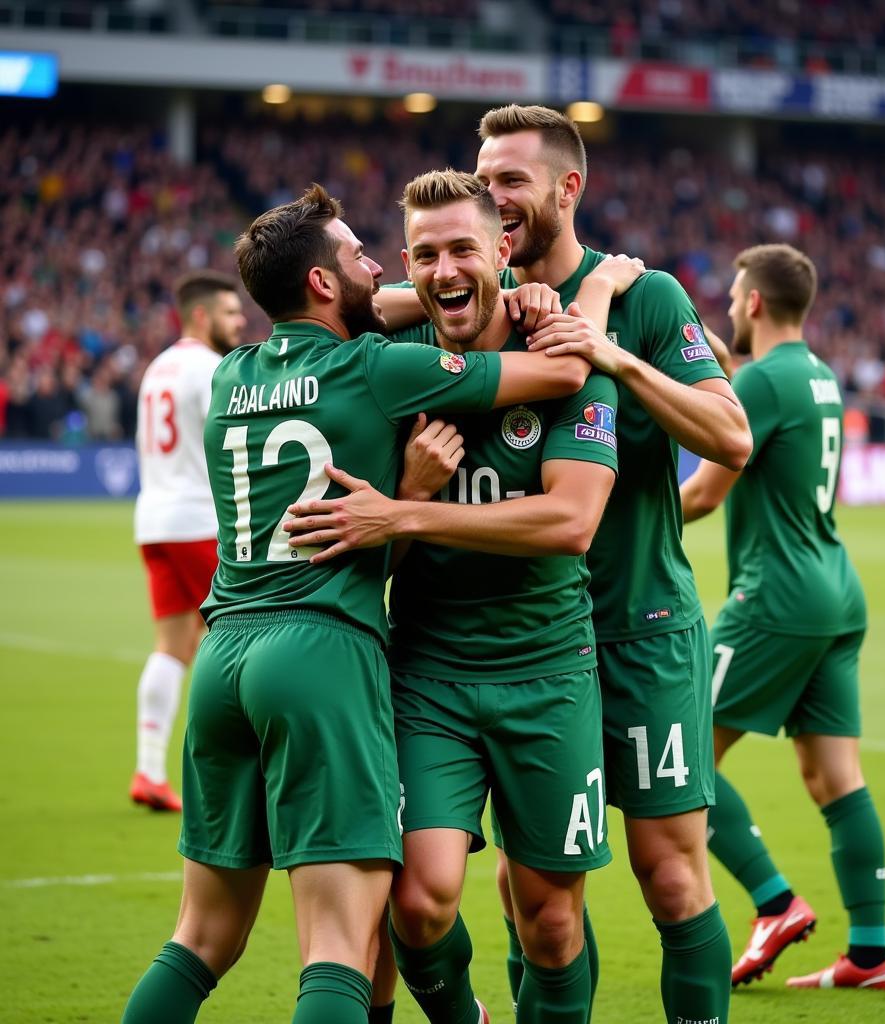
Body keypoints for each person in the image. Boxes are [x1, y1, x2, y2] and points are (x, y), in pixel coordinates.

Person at [119, 183, 598, 1024]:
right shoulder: (375, 369)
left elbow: (353, 313)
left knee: (198, 940)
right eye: (357, 258)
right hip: (318, 657)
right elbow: (561, 367)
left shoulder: (231, 375)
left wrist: (400, 491)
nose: (378, 269)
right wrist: (590, 290)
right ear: (323, 285)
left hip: (224, 654)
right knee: (340, 949)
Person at [284, 169, 641, 1024]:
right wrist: (407, 488)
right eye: (428, 254)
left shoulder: (568, 360)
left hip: (550, 672)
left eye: (464, 250)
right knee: (418, 903)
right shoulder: (389, 380)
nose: (447, 271)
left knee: (552, 925)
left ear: (503, 250)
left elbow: (570, 523)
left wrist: (407, 507)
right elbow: (372, 549)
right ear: (406, 265)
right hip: (429, 673)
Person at [476, 104, 750, 1024]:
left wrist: (615, 359)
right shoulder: (477, 303)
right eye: (483, 180)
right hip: (522, 650)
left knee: (672, 877)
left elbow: (731, 437)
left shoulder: (648, 298)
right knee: (532, 902)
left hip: (642, 627)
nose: (492, 197)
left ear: (567, 187)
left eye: (510, 180)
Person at [680, 243, 885, 991]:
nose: (732, 304)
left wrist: (623, 527)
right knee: (834, 777)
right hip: (837, 591)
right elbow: (750, 393)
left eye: (735, 293)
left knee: (678, 752)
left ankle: (774, 901)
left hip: (775, 598)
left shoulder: (765, 381)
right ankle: (870, 956)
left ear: (753, 304)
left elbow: (706, 492)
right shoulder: (816, 373)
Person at [130, 270, 246, 811]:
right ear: (201, 316)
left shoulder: (158, 368)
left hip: (154, 520)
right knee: (245, 637)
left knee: (174, 646)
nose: (240, 321)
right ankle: (234, 772)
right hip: (199, 520)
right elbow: (231, 445)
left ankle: (149, 770)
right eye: (230, 312)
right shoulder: (211, 368)